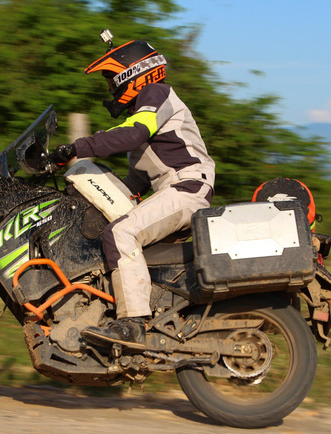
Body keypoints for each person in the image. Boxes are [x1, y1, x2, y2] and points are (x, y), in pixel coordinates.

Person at [51, 36, 215, 349]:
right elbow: (133, 186)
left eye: (112, 81)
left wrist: (77, 148)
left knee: (122, 233)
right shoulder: (145, 121)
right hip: (178, 188)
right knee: (113, 229)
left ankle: (133, 325)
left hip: (187, 187)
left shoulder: (156, 94)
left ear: (132, 74)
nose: (111, 90)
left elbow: (131, 134)